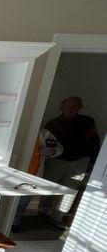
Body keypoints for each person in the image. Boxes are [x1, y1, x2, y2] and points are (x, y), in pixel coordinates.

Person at [38, 96, 100, 227]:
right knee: (48, 185)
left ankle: (58, 217)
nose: (71, 109)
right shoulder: (52, 124)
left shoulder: (88, 122)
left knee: (71, 189)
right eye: (68, 106)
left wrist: (93, 162)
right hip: (57, 161)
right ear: (61, 107)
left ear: (80, 107)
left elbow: (95, 141)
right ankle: (42, 212)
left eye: (74, 106)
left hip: (80, 161)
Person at [11, 128, 63, 232]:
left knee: (23, 201)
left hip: (31, 174)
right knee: (7, 199)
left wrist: (52, 151)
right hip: (12, 172)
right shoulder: (15, 128)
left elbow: (59, 148)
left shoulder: (44, 133)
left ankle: (14, 223)